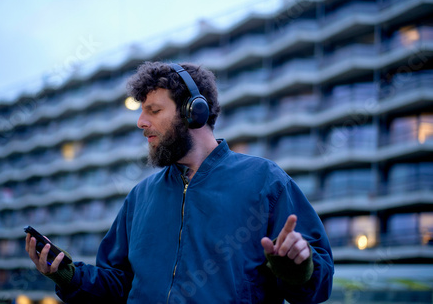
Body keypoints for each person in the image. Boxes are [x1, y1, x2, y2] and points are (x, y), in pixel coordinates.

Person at [25, 61, 334, 303]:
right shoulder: (139, 197)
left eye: (153, 110)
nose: (140, 122)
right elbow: (118, 286)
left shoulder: (266, 182)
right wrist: (69, 276)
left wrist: (299, 269)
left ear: (193, 112)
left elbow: (319, 286)